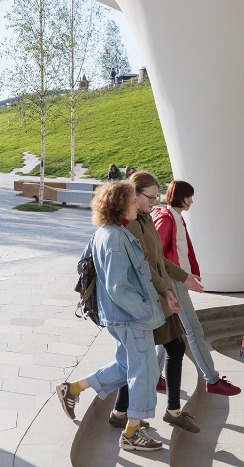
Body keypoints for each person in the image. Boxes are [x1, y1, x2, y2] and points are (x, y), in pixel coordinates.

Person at [56, 181, 181, 452]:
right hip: (130, 316)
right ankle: (132, 433)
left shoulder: (107, 233)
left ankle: (73, 389)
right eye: (132, 201)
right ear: (120, 205)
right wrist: (148, 310)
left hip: (122, 316)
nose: (137, 205)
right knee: (144, 370)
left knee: (126, 367)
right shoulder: (114, 238)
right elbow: (117, 287)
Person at [117, 171, 203, 434]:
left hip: (157, 295)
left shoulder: (145, 218)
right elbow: (143, 265)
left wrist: (184, 277)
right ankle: (164, 411)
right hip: (148, 298)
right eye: (151, 197)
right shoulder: (131, 223)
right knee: (146, 356)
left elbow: (159, 259)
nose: (156, 201)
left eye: (157, 196)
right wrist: (167, 290)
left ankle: (124, 410)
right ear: (135, 194)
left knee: (170, 349)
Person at [152, 180, 242, 396]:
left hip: (174, 281)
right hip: (172, 282)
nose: (192, 201)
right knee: (193, 329)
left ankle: (154, 377)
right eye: (189, 196)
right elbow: (157, 256)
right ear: (179, 196)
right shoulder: (166, 218)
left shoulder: (174, 217)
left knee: (170, 334)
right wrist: (178, 279)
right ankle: (212, 379)